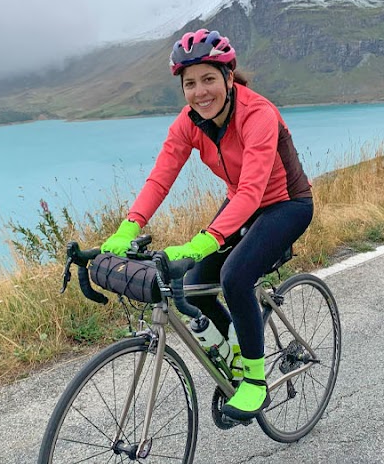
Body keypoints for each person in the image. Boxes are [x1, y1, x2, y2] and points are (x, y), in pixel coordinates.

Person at [98, 29, 313, 422]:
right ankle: (235, 350)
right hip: (241, 204)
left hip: (287, 203)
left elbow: (252, 191)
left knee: (235, 277)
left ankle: (254, 380)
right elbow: (160, 178)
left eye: (209, 79)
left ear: (229, 78)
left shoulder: (258, 114)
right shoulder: (189, 122)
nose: (200, 91)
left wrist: (203, 241)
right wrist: (129, 226)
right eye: (190, 83)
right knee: (195, 288)